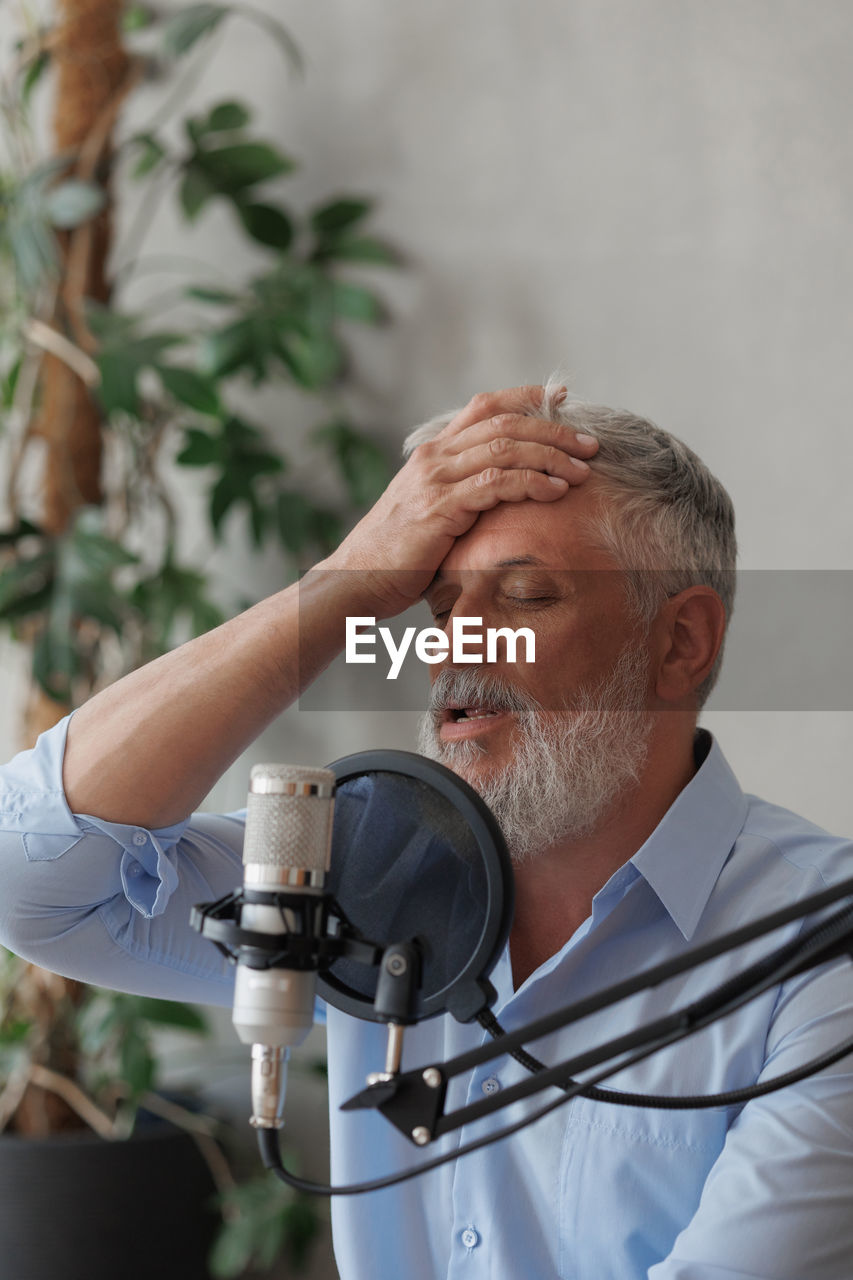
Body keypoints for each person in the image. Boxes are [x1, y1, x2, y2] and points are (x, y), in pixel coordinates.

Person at [1, 379, 852, 1279]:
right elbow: (33, 881)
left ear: (680, 643)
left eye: (523, 597)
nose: (454, 645)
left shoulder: (818, 949)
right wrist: (341, 588)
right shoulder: (367, 865)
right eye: (436, 606)